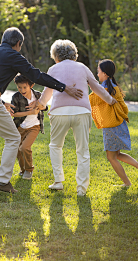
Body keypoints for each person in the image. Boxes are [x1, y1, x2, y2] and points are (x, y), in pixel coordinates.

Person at [0, 27, 83, 194]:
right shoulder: (13, 55)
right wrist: (63, 88)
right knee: (13, 137)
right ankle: (2, 181)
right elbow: (36, 76)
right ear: (18, 43)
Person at [36, 40, 117, 196]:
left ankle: (58, 181)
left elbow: (47, 91)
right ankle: (81, 189)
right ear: (74, 54)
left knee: (55, 146)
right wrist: (110, 100)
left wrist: (40, 104)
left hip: (59, 113)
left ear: (55, 55)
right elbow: (97, 87)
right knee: (83, 150)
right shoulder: (82, 67)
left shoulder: (53, 68)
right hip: (81, 112)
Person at [89, 59, 138, 187]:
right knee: (117, 154)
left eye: (98, 72)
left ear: (104, 73)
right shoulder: (113, 87)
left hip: (111, 127)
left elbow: (89, 100)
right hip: (119, 125)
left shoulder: (104, 89)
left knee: (111, 157)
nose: (97, 74)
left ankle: (127, 183)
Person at [11, 74, 47, 180]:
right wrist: (30, 112)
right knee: (18, 150)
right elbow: (14, 114)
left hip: (34, 126)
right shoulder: (16, 97)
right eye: (19, 87)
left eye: (24, 87)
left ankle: (29, 170)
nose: (22, 90)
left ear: (31, 85)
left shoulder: (38, 95)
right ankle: (23, 170)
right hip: (20, 127)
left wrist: (40, 106)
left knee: (24, 147)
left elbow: (45, 107)